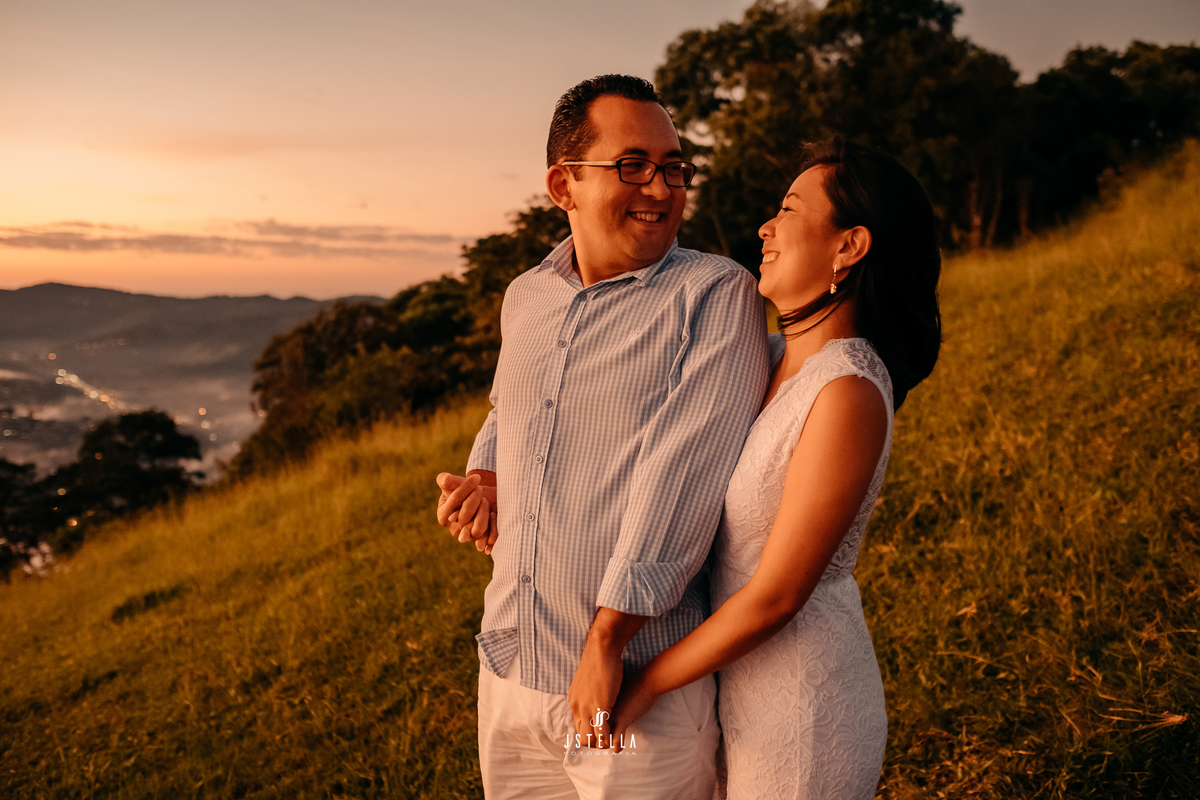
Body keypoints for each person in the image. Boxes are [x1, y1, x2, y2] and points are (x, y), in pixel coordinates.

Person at [434, 74, 769, 799]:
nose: (661, 186)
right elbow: (508, 411)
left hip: (632, 688)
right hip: (510, 676)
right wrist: (485, 478)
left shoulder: (715, 294)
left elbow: (684, 474)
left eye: (674, 168)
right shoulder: (526, 296)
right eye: (633, 165)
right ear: (564, 185)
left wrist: (606, 640)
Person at [609, 136, 942, 799]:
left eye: (790, 208)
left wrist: (645, 680)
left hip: (803, 708)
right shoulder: (761, 356)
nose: (766, 225)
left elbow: (777, 597)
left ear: (850, 246)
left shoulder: (847, 388)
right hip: (736, 693)